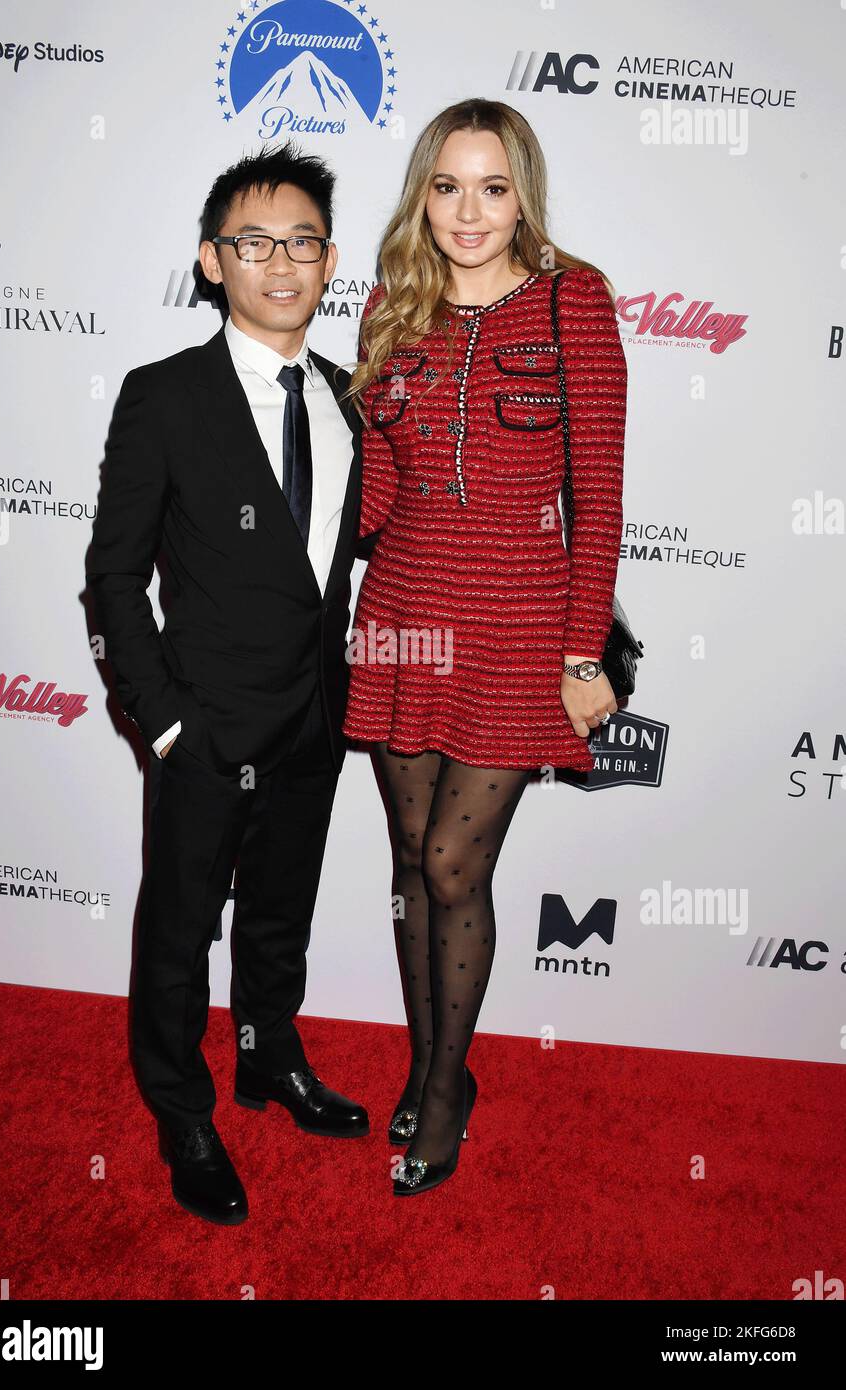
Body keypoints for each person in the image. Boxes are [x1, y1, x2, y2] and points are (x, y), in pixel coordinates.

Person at [342, 99, 628, 1195]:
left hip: (518, 626)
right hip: (405, 612)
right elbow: (375, 494)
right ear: (423, 190)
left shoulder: (572, 303)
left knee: (459, 863)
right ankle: (428, 1062)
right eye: (448, 186)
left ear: (524, 195)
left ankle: (448, 1087)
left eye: (493, 187)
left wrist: (581, 652)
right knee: (413, 864)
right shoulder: (389, 304)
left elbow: (598, 499)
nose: (469, 211)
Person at [86, 141, 369, 1227]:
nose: (281, 264)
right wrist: (161, 723)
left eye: (302, 241)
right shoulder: (162, 396)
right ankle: (183, 1109)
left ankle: (269, 1060)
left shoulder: (349, 398)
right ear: (213, 261)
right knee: (178, 927)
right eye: (254, 243)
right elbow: (114, 573)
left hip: (313, 721)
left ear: (329, 258)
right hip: (203, 727)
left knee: (280, 919)